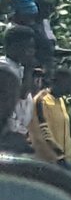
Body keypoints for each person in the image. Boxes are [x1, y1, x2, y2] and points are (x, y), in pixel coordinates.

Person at [27, 66, 71, 168]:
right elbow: (43, 132)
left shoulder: (61, 101)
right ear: (59, 81)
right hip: (46, 162)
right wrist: (59, 157)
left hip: (63, 162)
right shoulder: (41, 101)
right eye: (69, 84)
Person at [0, 25, 34, 153]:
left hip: (19, 132)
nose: (31, 51)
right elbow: (21, 94)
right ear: (12, 46)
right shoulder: (4, 67)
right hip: (6, 132)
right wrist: (29, 68)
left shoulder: (19, 68)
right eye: (27, 47)